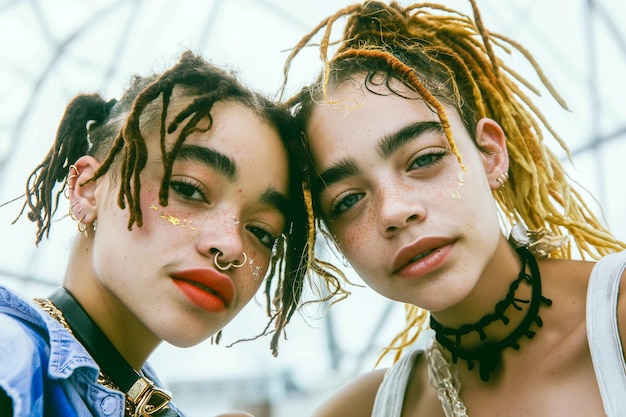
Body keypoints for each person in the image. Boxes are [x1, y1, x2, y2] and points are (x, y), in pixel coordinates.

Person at [282, 1, 626, 416]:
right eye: (348, 200)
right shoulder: (366, 410)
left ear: (491, 154)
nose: (394, 211)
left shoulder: (616, 320)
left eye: (424, 159)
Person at [0, 50, 343, 417]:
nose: (231, 247)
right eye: (189, 189)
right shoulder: (12, 357)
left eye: (261, 231)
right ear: (87, 188)